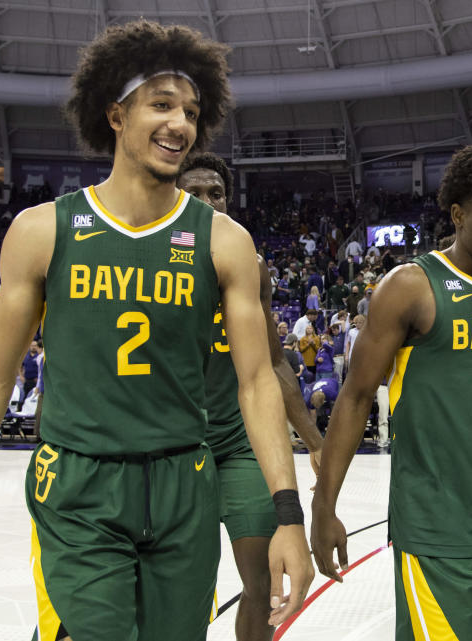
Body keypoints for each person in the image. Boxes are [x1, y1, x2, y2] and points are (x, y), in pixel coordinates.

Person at [0, 20, 312, 640]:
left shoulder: (225, 241)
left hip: (183, 485)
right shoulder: (44, 230)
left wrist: (288, 517)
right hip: (80, 485)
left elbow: (255, 380)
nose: (180, 125)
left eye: (191, 111)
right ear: (115, 114)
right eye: (161, 104)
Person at [311, 142, 472, 641]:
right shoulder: (411, 286)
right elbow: (356, 398)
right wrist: (323, 507)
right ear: (458, 214)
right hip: (433, 533)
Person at [178, 151, 323, 641]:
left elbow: (273, 361)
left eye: (215, 194)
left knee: (261, 581)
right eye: (192, 193)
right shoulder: (150, 257)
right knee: (184, 590)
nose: (205, 203)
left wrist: (313, 439)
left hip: (240, 442)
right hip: (175, 442)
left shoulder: (251, 264)